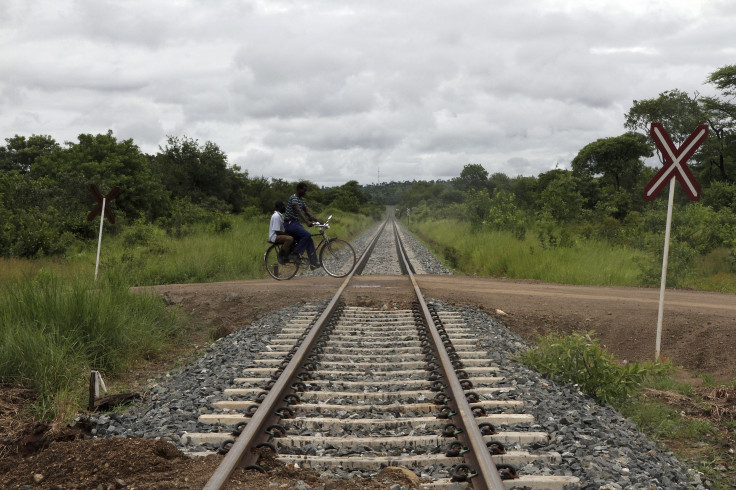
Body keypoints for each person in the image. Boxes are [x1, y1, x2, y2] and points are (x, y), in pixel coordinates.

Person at [284, 182, 320, 270]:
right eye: (304, 190)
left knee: (309, 239)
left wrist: (318, 221)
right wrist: (307, 222)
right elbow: (299, 211)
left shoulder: (301, 199)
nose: (305, 192)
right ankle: (295, 254)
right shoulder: (294, 198)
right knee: (307, 235)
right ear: (299, 189)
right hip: (289, 223)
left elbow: (307, 211)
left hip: (295, 223)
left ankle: (313, 263)